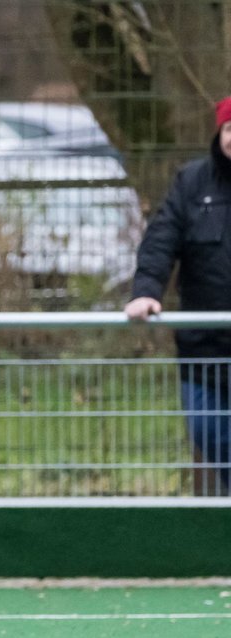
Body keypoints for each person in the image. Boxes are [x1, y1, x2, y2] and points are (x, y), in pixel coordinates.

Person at [126, 96, 231, 495]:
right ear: (219, 133)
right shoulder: (191, 183)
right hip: (203, 350)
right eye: (229, 128)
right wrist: (146, 291)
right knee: (210, 434)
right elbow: (160, 240)